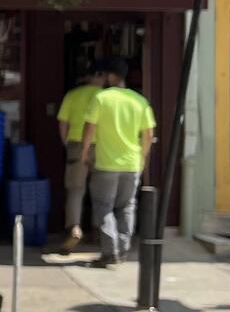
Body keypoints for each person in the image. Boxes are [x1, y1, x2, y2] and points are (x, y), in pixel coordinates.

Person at [81, 56, 156, 268]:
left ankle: (109, 252)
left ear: (111, 76)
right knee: (127, 207)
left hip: (106, 163)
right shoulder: (140, 101)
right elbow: (149, 134)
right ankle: (122, 250)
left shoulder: (101, 98)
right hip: (132, 163)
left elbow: (89, 128)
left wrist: (85, 152)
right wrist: (143, 156)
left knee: (104, 207)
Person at [54, 62, 108, 252]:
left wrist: (66, 142)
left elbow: (62, 122)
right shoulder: (105, 97)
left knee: (75, 190)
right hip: (101, 146)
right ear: (101, 77)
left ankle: (74, 228)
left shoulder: (73, 95)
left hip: (76, 144)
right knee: (100, 190)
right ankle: (98, 230)